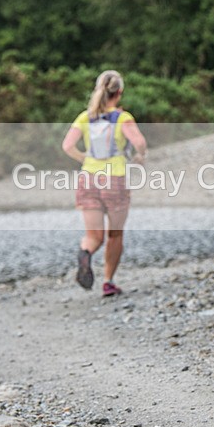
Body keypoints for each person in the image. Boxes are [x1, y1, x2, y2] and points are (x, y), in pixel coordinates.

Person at [62, 70, 147, 297]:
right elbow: (139, 142)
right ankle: (108, 282)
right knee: (115, 235)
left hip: (87, 179)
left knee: (94, 236)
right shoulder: (122, 118)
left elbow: (67, 146)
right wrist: (138, 157)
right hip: (114, 180)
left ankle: (85, 252)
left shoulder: (84, 117)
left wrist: (86, 160)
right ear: (119, 92)